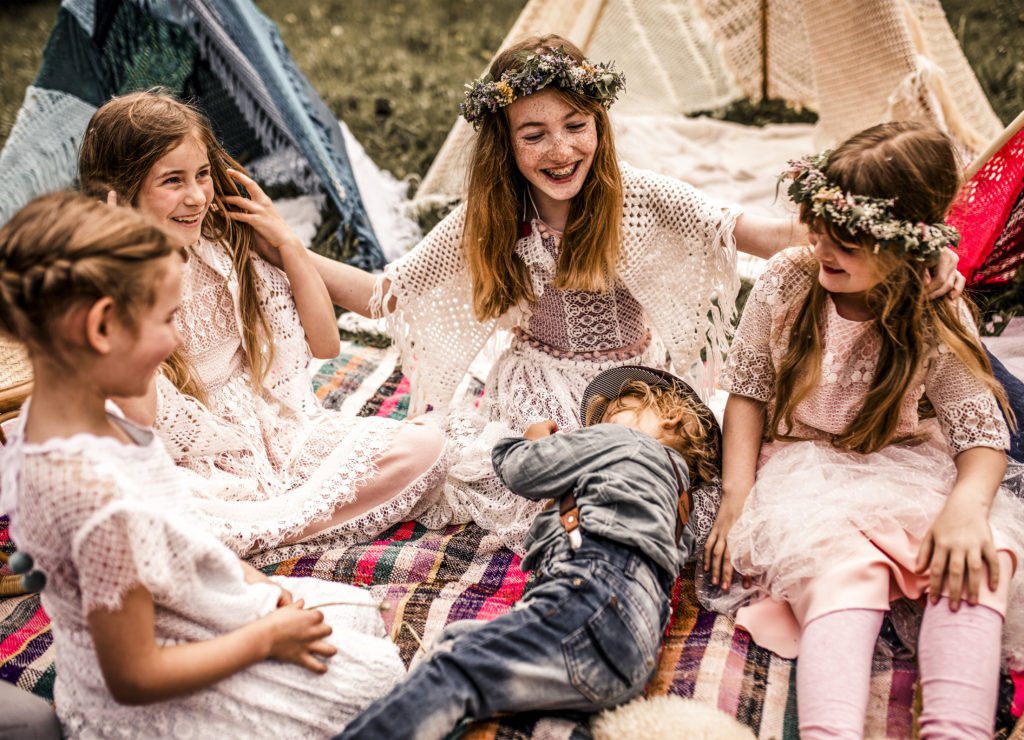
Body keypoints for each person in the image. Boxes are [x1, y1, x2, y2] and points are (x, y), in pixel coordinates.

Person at [292, 35, 963, 553]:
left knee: (672, 479)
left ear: (598, 125)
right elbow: (386, 296)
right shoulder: (488, 218)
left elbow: (761, 231)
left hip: (638, 384)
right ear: (505, 143)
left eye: (576, 125)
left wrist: (914, 245)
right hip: (541, 385)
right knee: (551, 475)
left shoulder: (638, 197)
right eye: (534, 134)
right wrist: (289, 247)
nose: (560, 149)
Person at [0, 192, 406, 737]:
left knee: (355, 612)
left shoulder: (66, 407)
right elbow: (134, 676)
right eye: (167, 318)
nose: (175, 341)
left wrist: (250, 585)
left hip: (192, 605)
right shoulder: (93, 497)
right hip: (150, 691)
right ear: (101, 329)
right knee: (378, 677)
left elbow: (142, 445)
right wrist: (265, 637)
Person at [701, 122, 1024, 739]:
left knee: (981, 555)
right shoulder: (789, 281)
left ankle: (957, 728)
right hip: (803, 466)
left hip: (904, 464)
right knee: (843, 566)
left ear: (906, 247)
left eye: (848, 243)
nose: (824, 250)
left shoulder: (933, 305)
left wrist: (966, 504)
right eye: (822, 230)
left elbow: (978, 426)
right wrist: (737, 490)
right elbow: (746, 390)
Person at [77, 91, 447, 558]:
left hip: (271, 434)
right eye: (172, 181)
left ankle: (261, 528)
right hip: (189, 460)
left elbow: (327, 342)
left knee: (424, 448)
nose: (195, 196)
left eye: (202, 175)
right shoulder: (103, 291)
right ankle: (262, 525)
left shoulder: (221, 247)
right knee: (144, 512)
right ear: (121, 194)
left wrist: (287, 244)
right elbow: (144, 421)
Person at [333, 365, 721, 739]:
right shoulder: (677, 504)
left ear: (668, 418)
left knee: (454, 671)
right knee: (463, 646)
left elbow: (522, 470)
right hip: (632, 661)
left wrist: (533, 440)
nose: (598, 427)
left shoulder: (625, 441)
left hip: (591, 603)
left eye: (616, 412)